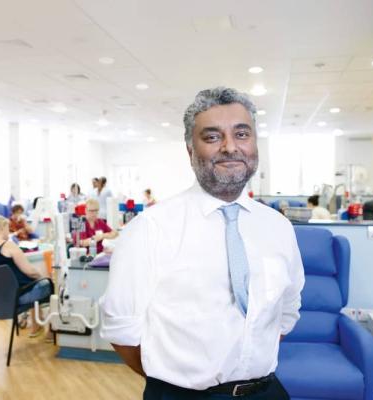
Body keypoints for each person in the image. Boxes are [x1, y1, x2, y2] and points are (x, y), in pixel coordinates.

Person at [100, 87, 305, 399]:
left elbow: (287, 309)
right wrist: (173, 383)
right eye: (212, 137)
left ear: (254, 143)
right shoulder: (150, 229)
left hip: (267, 391)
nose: (230, 147)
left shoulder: (277, 227)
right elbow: (121, 331)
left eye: (241, 134)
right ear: (190, 150)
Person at [0, 214, 52, 337]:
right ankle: (52, 331)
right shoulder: (8, 246)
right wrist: (42, 277)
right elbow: (30, 271)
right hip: (15, 299)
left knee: (35, 283)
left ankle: (37, 325)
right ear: (1, 228)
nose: (9, 231)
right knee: (50, 285)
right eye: (7, 228)